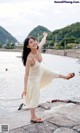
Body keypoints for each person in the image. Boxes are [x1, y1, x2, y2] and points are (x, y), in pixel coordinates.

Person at [21, 32, 75, 123]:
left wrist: (45, 36)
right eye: (31, 42)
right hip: (33, 79)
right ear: (27, 46)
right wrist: (25, 88)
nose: (34, 43)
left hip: (41, 70)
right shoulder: (29, 59)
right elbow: (26, 74)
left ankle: (66, 77)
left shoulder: (37, 48)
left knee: (53, 73)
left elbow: (42, 41)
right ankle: (33, 117)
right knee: (35, 96)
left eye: (34, 41)